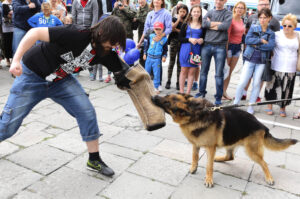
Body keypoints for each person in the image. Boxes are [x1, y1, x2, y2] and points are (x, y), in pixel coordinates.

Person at [0, 16, 132, 177]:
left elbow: (127, 73)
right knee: (8, 125)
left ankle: (94, 159)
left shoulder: (106, 52)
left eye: (117, 44)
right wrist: (16, 60)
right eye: (113, 42)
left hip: (60, 82)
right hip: (32, 77)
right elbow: (34, 33)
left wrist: (129, 82)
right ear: (102, 32)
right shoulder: (75, 33)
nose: (114, 46)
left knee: (86, 111)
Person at [233, 8, 275, 114]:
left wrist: (256, 45)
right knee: (243, 82)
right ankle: (236, 103)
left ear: (269, 18)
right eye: (260, 17)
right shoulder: (253, 27)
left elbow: (270, 46)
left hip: (261, 61)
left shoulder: (271, 32)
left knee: (256, 84)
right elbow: (247, 40)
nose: (262, 20)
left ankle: (251, 106)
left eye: (265, 18)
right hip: (249, 59)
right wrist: (260, 41)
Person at [195, 0, 232, 106]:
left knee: (219, 74)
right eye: (216, 0)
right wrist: (217, 24)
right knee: (203, 72)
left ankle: (218, 98)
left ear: (225, 1)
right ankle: (201, 92)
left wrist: (210, 24)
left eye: (221, 0)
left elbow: (225, 27)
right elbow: (203, 24)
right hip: (206, 45)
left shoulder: (228, 13)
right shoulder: (210, 12)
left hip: (220, 46)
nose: (218, 1)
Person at [242, 0, 280, 101]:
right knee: (247, 75)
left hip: (264, 54)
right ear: (258, 6)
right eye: (262, 4)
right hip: (249, 52)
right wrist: (253, 43)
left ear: (270, 5)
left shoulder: (275, 21)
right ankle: (244, 93)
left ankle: (257, 95)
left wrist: (256, 45)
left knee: (260, 77)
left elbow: (273, 41)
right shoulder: (251, 17)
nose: (264, 6)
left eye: (266, 4)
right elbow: (246, 34)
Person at [264, 14, 299, 117]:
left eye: (289, 26)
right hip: (277, 64)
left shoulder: (297, 35)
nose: (286, 28)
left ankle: (282, 107)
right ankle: (269, 106)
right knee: (271, 85)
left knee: (287, 88)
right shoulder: (277, 34)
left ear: (294, 27)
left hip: (291, 66)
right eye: (284, 25)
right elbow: (268, 45)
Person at [137, 0, 172, 92]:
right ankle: (145, 84)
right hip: (149, 38)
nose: (156, 1)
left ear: (162, 2)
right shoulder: (150, 14)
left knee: (157, 64)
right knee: (145, 62)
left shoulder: (166, 13)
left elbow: (169, 28)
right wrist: (140, 42)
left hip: (160, 37)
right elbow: (145, 29)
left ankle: (158, 84)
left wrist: (161, 36)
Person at [222, 1, 246, 100]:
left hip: (237, 47)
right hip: (230, 47)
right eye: (238, 7)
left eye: (242, 8)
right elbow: (227, 36)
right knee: (225, 70)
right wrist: (226, 50)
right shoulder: (231, 19)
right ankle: (221, 91)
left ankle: (224, 91)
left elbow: (242, 35)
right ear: (234, 8)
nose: (239, 9)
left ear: (244, 10)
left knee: (230, 71)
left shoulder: (242, 20)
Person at [178, 5, 203, 95]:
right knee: (184, 70)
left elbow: (205, 38)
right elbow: (180, 38)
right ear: (191, 13)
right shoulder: (185, 24)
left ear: (200, 13)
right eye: (194, 11)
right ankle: (181, 92)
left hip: (197, 50)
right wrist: (189, 39)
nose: (196, 13)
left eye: (198, 12)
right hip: (185, 48)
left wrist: (202, 40)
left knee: (192, 71)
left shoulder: (202, 25)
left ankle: (187, 93)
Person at [165, 4, 188, 90]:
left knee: (179, 63)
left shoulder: (187, 22)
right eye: (181, 11)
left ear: (186, 13)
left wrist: (177, 30)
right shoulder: (174, 19)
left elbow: (184, 33)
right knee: (171, 62)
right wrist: (178, 20)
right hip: (173, 42)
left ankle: (178, 82)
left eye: (184, 12)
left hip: (182, 44)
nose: (182, 13)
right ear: (178, 12)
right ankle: (168, 80)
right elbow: (171, 28)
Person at [143, 21, 168, 94]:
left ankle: (156, 87)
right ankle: (146, 86)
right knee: (146, 72)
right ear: (154, 29)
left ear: (162, 29)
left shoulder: (164, 39)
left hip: (157, 59)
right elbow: (146, 46)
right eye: (156, 29)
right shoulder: (151, 36)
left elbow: (165, 49)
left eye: (159, 29)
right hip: (149, 58)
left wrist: (164, 56)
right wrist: (145, 53)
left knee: (157, 73)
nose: (158, 31)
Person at [189, 0, 207, 91]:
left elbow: (206, 34)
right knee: (187, 65)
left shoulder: (205, 13)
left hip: (198, 46)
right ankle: (188, 80)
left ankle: (195, 82)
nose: (192, 1)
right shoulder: (188, 10)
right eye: (191, 0)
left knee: (196, 65)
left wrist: (202, 40)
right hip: (188, 46)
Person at [133, 0, 149, 67]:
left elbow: (147, 22)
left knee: (147, 54)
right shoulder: (138, 9)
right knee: (141, 53)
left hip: (148, 35)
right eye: (139, 0)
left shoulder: (150, 9)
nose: (140, 1)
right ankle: (142, 70)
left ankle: (149, 72)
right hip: (140, 34)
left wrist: (137, 19)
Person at [2, 0, 13, 67]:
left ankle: (13, 59)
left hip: (14, 26)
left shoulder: (15, 2)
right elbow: (4, 14)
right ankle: (7, 59)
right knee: (6, 44)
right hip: (6, 27)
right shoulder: (4, 3)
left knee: (13, 44)